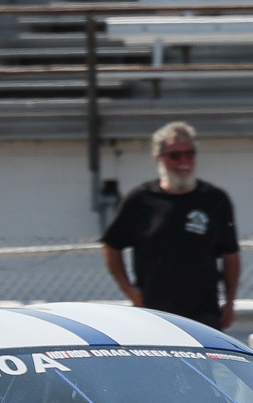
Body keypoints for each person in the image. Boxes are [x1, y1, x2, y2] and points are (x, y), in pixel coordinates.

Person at [100, 121, 241, 330]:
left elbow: (230, 255)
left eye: (189, 154)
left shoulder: (214, 199)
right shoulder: (141, 200)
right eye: (175, 156)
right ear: (159, 158)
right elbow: (111, 246)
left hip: (204, 315)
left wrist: (230, 302)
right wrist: (130, 292)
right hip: (154, 314)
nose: (183, 162)